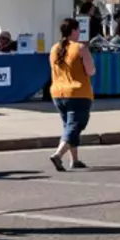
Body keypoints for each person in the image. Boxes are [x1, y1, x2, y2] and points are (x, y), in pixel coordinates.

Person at [48, 17, 96, 172]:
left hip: (58, 92)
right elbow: (91, 71)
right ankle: (58, 154)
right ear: (74, 31)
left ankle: (74, 160)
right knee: (76, 125)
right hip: (78, 92)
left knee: (68, 126)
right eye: (78, 31)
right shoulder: (80, 48)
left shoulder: (54, 48)